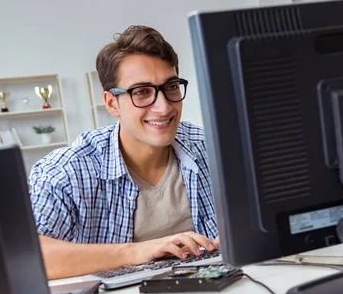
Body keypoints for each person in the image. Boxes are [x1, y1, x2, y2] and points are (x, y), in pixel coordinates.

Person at [28, 25, 219, 280]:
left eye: (171, 87)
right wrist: (137, 252)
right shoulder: (67, 171)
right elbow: (28, 258)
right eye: (141, 92)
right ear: (111, 103)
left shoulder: (211, 148)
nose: (163, 107)